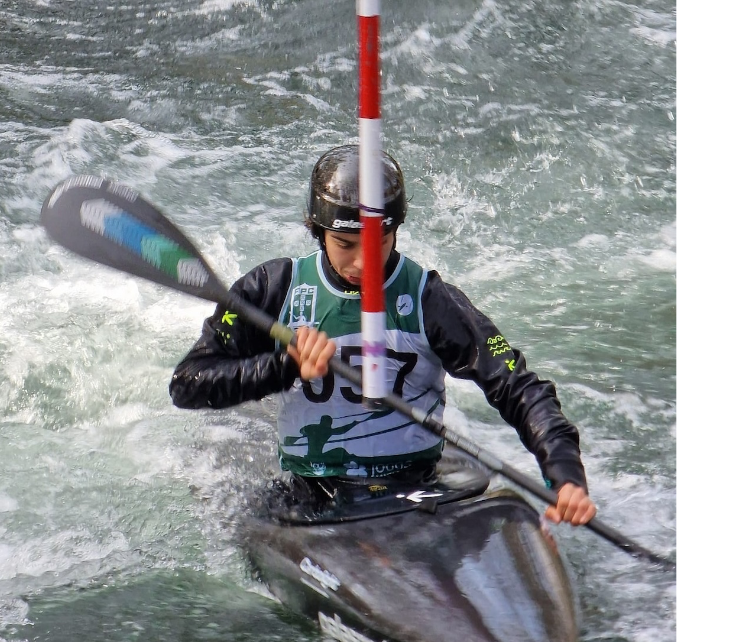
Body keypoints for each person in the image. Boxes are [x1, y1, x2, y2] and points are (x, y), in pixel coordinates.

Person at [168, 144, 596, 527]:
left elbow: (517, 384)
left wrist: (564, 473)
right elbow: (188, 384)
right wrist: (283, 366)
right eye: (345, 244)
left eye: (379, 241)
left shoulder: (430, 299)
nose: (364, 262)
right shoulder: (272, 289)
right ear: (318, 231)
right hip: (312, 493)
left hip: (414, 486)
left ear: (395, 230)